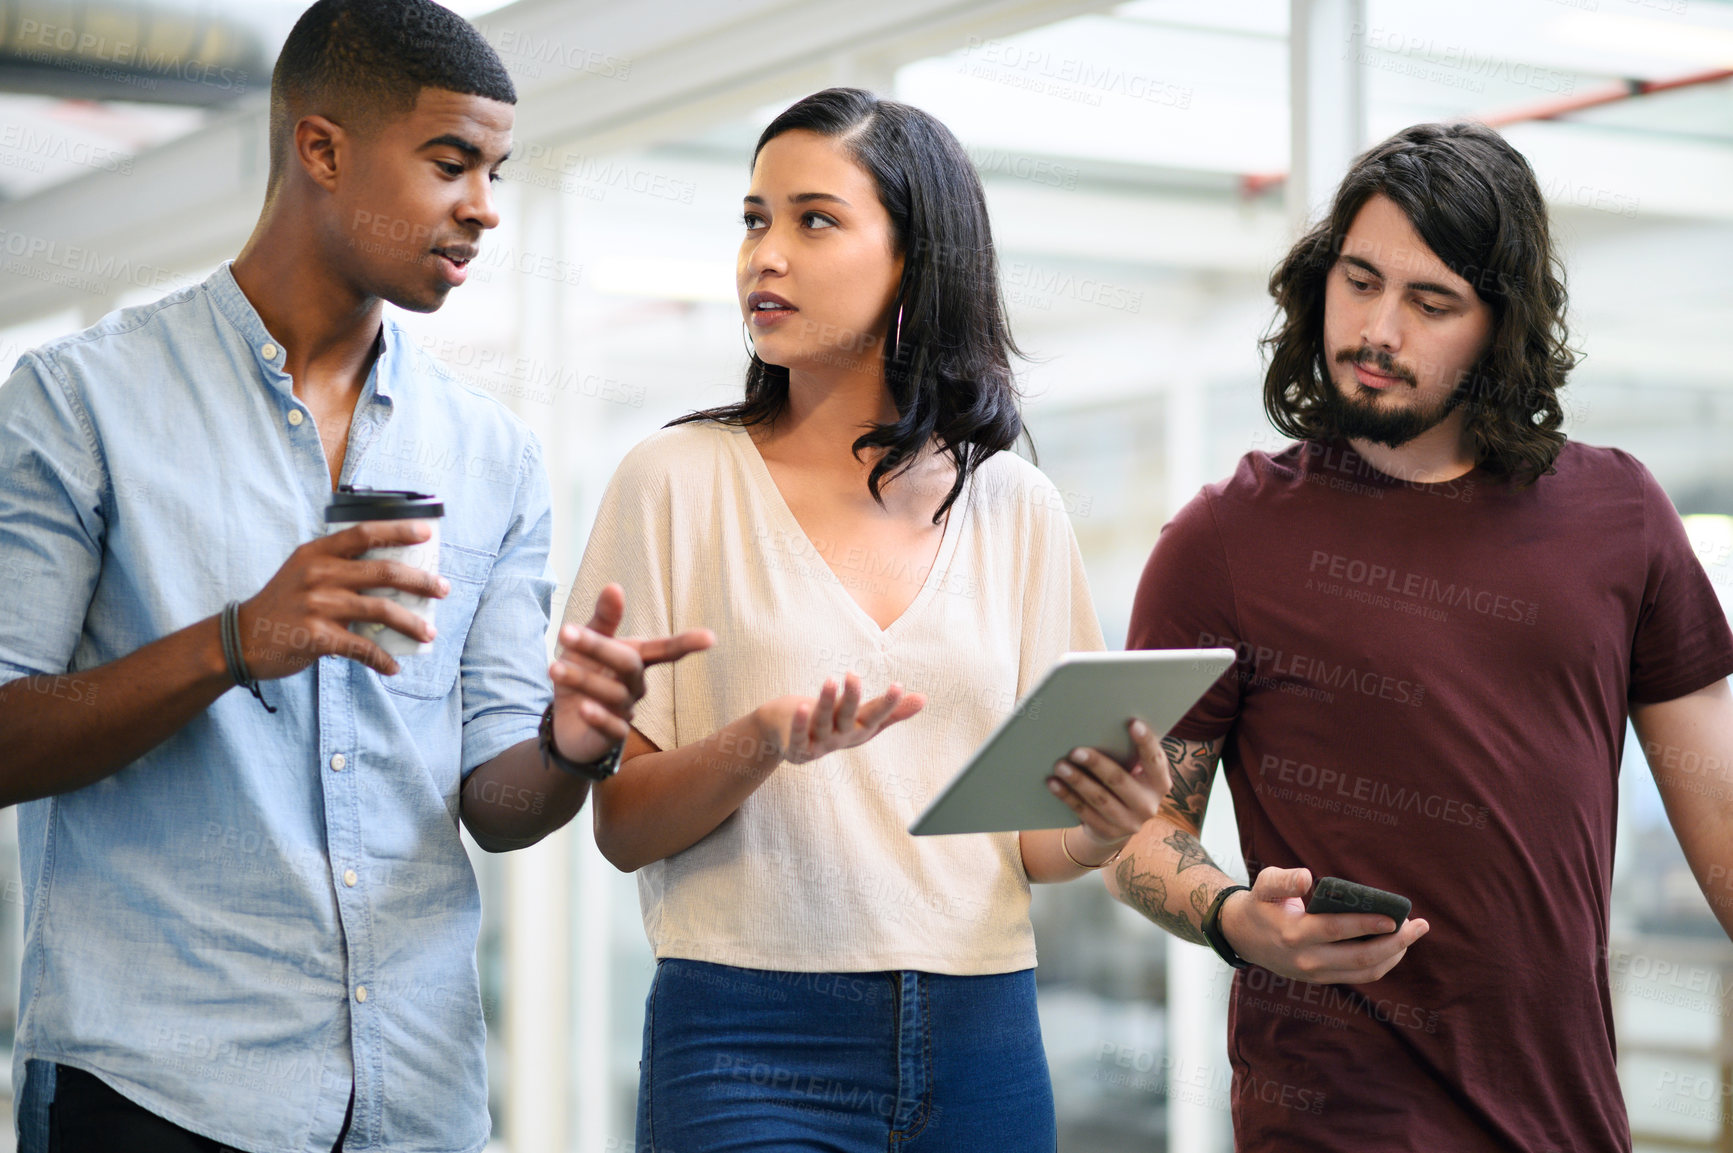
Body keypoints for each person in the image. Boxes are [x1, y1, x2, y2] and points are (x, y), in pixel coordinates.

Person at [0, 2, 707, 1150]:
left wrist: (572, 748)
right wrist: (233, 642)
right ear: (319, 149)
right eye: (449, 163)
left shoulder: (493, 457)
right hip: (153, 1098)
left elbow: (496, 802)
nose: (483, 207)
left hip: (416, 1102)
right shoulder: (80, 402)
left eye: (495, 171)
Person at [1061, 121, 1733, 1150]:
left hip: (1563, 1122)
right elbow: (1141, 831)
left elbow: (1720, 813)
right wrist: (1234, 917)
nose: (1377, 329)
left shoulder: (1621, 516)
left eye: (1429, 303)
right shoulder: (1222, 540)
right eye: (1358, 281)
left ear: (1496, 329)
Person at [567, 87, 1167, 1151]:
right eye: (753, 219)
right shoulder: (672, 481)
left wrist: (1102, 821)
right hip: (744, 1033)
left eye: (813, 219)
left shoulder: (1012, 505)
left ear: (913, 261)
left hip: (978, 1028)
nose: (765, 255)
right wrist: (760, 741)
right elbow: (620, 827)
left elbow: (1032, 842)